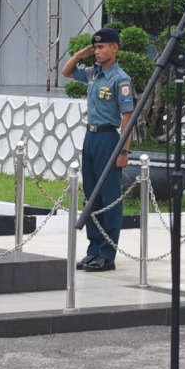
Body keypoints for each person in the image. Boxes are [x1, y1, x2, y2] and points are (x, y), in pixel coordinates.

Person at [61, 28, 132, 272]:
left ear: (115, 48)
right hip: (90, 138)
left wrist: (124, 152)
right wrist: (79, 55)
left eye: (102, 47)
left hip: (109, 139)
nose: (98, 51)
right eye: (96, 47)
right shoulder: (93, 74)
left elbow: (128, 116)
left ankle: (107, 253)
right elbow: (67, 72)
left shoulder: (119, 78)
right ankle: (94, 250)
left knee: (109, 197)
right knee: (91, 196)